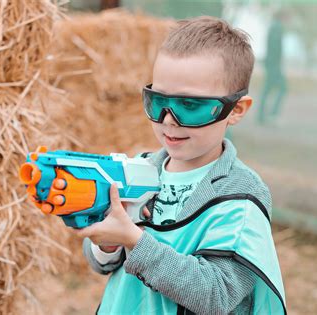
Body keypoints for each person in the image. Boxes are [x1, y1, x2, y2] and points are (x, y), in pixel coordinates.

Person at [75, 16, 286, 314]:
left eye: (191, 106)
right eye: (158, 101)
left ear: (236, 109)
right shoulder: (142, 168)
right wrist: (109, 243)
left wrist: (134, 240)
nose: (169, 120)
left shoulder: (241, 193)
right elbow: (101, 263)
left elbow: (216, 295)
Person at [257, 11, 287, 125]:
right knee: (282, 88)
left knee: (268, 90)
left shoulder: (273, 27)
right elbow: (275, 48)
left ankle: (262, 116)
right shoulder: (277, 28)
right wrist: (276, 66)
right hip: (274, 66)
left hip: (271, 64)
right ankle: (272, 115)